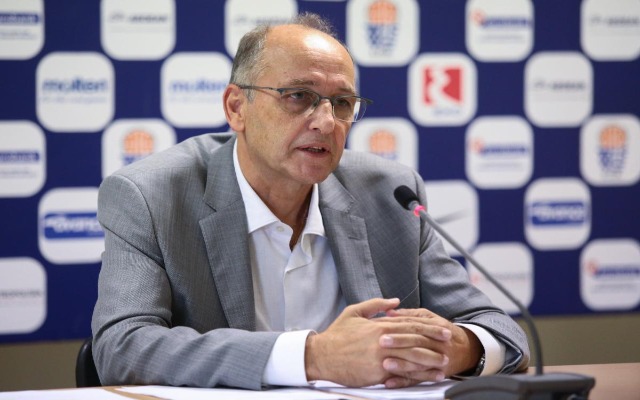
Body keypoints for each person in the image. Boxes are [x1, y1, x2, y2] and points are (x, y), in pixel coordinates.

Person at [91, 12, 529, 390]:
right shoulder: (151, 195)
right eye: (299, 96)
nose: (325, 122)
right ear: (237, 107)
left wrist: (455, 349)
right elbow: (121, 347)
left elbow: (502, 333)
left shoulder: (390, 194)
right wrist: (313, 357)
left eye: (342, 103)